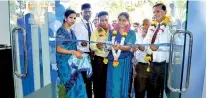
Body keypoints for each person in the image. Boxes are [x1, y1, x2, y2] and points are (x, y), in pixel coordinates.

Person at [140, 3, 174, 98]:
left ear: (165, 12)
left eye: (158, 11)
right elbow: (147, 42)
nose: (155, 14)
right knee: (151, 92)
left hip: (165, 66)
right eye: (154, 12)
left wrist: (159, 48)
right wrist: (142, 47)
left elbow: (175, 45)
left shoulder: (170, 27)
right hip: (152, 64)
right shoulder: (153, 27)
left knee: (163, 93)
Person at [56, 10, 87, 98]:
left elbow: (72, 45)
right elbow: (58, 49)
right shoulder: (61, 32)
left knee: (79, 85)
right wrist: (73, 52)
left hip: (73, 63)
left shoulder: (71, 30)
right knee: (71, 87)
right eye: (70, 18)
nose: (73, 20)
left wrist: (78, 50)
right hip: (64, 63)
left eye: (74, 18)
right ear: (65, 18)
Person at [106, 12, 136, 98]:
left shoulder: (131, 33)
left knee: (121, 83)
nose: (121, 22)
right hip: (112, 61)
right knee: (112, 83)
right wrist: (105, 46)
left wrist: (119, 47)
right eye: (119, 20)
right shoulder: (112, 32)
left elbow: (129, 46)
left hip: (124, 61)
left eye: (124, 20)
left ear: (128, 21)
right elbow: (108, 45)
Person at [72, 3, 93, 98]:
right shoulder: (77, 25)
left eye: (89, 11)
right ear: (81, 13)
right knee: (83, 80)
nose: (88, 14)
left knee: (89, 80)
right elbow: (73, 40)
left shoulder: (91, 24)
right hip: (82, 55)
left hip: (91, 55)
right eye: (86, 12)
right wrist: (80, 44)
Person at [90, 11, 110, 98]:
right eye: (102, 20)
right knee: (98, 82)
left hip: (109, 60)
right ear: (98, 21)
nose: (104, 22)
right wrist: (97, 46)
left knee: (106, 81)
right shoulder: (95, 32)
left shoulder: (112, 31)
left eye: (106, 20)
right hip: (99, 60)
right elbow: (91, 45)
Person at [133, 18, 151, 98]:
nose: (145, 26)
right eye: (143, 24)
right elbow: (134, 49)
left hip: (149, 66)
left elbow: (149, 50)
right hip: (139, 66)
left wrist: (142, 48)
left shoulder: (153, 36)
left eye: (147, 24)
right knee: (139, 91)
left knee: (149, 91)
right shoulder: (137, 36)